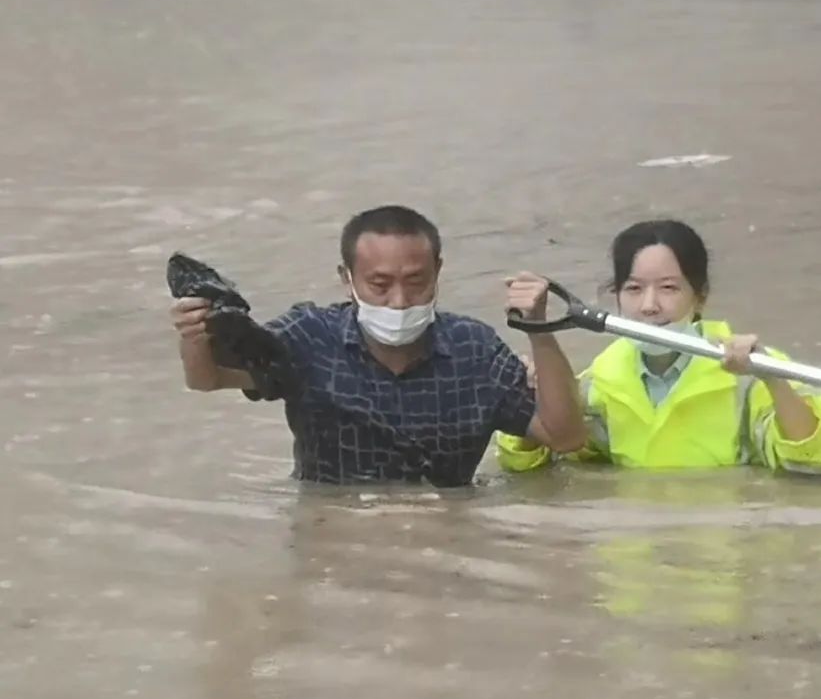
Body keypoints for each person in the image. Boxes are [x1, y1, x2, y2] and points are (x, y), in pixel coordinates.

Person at [169, 205, 587, 487]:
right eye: (380, 285)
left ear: (438, 272)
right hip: (333, 532)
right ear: (346, 278)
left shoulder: (474, 351)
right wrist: (195, 335)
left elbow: (565, 436)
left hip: (446, 543)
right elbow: (209, 379)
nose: (400, 301)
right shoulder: (309, 336)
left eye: (417, 281)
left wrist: (539, 329)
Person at [496, 219, 821, 474]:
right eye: (633, 289)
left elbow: (809, 460)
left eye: (669, 288)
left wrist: (773, 379)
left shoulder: (751, 370)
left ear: (699, 296)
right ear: (615, 296)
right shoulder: (599, 383)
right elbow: (529, 465)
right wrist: (534, 391)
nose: (649, 306)